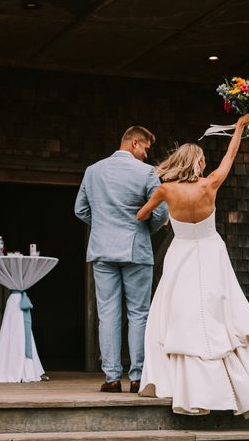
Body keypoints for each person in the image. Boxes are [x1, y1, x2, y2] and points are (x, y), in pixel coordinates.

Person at [136, 113, 249, 418]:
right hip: (211, 252)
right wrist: (238, 127)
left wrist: (162, 220)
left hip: (181, 252)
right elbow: (230, 155)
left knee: (179, 313)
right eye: (200, 159)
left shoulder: (165, 190)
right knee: (221, 312)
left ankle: (182, 380)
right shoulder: (211, 183)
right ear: (196, 162)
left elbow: (142, 215)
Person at [75, 125, 168, 394]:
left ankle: (112, 377)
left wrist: (103, 224)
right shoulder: (147, 173)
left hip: (102, 249)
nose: (146, 156)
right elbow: (161, 213)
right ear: (134, 143)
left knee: (108, 314)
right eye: (145, 150)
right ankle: (137, 376)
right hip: (135, 248)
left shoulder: (93, 171)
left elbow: (80, 209)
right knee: (138, 313)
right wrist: (143, 230)